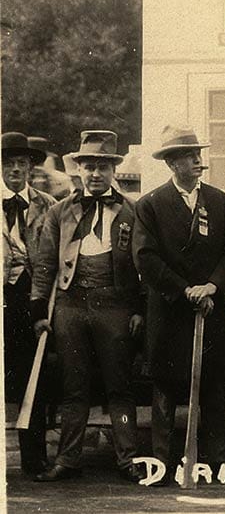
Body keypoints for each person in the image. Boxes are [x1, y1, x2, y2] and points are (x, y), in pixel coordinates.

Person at [29, 130, 145, 483]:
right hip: (71, 305)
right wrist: (38, 311)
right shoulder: (61, 211)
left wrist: (140, 309)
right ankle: (68, 458)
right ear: (79, 169)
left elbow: (145, 265)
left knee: (120, 386)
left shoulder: (133, 211)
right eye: (89, 167)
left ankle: (128, 458)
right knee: (73, 386)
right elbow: (46, 263)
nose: (95, 174)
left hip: (116, 305)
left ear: (113, 170)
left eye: (102, 167)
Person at [134, 126, 225, 477]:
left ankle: (218, 459)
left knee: (212, 383)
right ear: (171, 163)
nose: (198, 160)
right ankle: (163, 462)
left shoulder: (220, 201)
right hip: (170, 308)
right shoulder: (150, 204)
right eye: (188, 156)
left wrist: (212, 287)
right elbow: (145, 257)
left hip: (211, 306)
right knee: (166, 384)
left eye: (198, 154)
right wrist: (184, 290)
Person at [2, 131, 58, 476]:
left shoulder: (48, 205)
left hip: (33, 303)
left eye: (21, 163)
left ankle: (34, 460)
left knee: (31, 380)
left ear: (30, 167)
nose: (14, 170)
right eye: (8, 164)